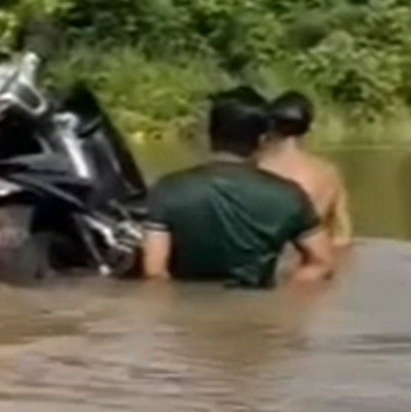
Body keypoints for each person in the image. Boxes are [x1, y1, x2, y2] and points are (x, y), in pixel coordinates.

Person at [142, 87, 334, 288]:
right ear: (262, 140)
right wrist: (282, 298)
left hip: (183, 314)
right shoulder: (289, 195)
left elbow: (154, 271)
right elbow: (322, 262)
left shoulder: (168, 189)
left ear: (210, 134)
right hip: (258, 314)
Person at [259, 90, 353, 248]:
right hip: (309, 261)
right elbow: (342, 236)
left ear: (270, 126)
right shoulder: (328, 174)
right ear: (309, 128)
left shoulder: (253, 170)